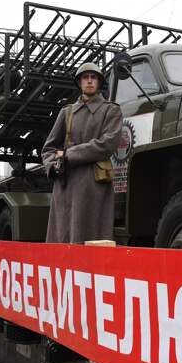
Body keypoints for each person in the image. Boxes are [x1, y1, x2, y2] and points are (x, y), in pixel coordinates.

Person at [42, 63, 122, 243]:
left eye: (93, 77)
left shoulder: (111, 110)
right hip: (65, 185)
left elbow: (108, 144)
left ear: (99, 82)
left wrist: (69, 154)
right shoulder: (67, 112)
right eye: (85, 77)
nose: (89, 81)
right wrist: (53, 165)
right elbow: (49, 149)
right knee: (62, 242)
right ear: (79, 82)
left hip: (93, 185)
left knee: (92, 241)